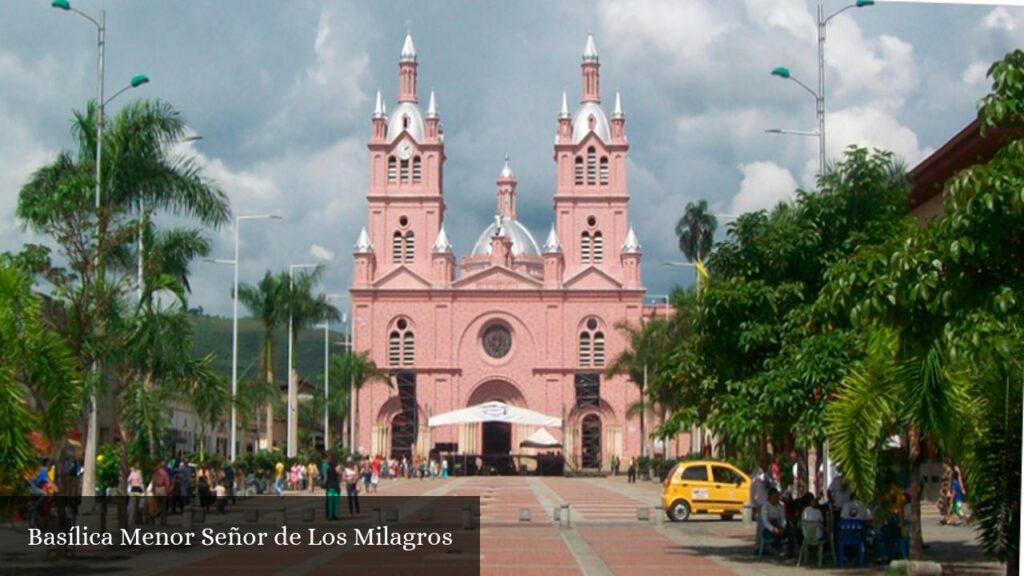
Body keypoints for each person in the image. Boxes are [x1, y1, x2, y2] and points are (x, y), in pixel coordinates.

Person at [760, 488, 787, 554]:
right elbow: (765, 522)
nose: (777, 499)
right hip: (769, 529)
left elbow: (783, 519)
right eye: (775, 497)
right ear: (770, 497)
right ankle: (777, 547)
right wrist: (773, 529)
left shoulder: (781, 505)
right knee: (773, 524)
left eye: (778, 497)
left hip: (779, 526)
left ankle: (790, 552)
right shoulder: (765, 507)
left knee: (790, 530)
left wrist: (782, 527)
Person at [151, 461, 171, 525]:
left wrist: (153, 491)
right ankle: (163, 520)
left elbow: (153, 482)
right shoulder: (165, 473)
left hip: (157, 489)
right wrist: (168, 491)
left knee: (158, 505)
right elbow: (167, 483)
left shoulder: (155, 473)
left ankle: (154, 515)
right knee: (164, 506)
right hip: (162, 489)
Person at [324, 455, 340, 520]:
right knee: (336, 503)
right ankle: (336, 515)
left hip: (329, 487)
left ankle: (330, 516)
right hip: (336, 487)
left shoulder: (328, 470)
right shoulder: (337, 470)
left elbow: (326, 479)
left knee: (330, 503)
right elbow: (339, 479)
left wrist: (325, 485)